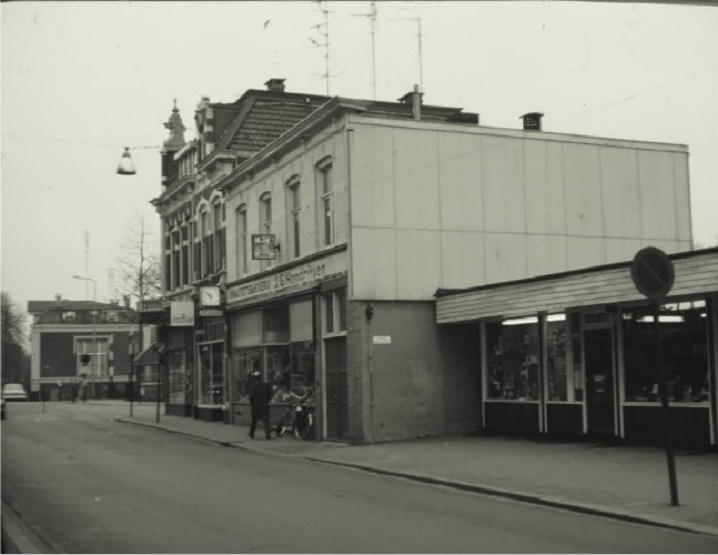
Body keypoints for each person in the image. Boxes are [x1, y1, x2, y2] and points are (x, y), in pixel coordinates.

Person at [248, 371, 272, 440]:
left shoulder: (253, 386)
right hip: (264, 405)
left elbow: (251, 396)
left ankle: (252, 433)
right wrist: (267, 401)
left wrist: (252, 403)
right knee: (266, 420)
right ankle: (268, 434)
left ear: (254, 378)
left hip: (255, 406)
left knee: (254, 420)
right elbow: (269, 393)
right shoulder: (265, 385)